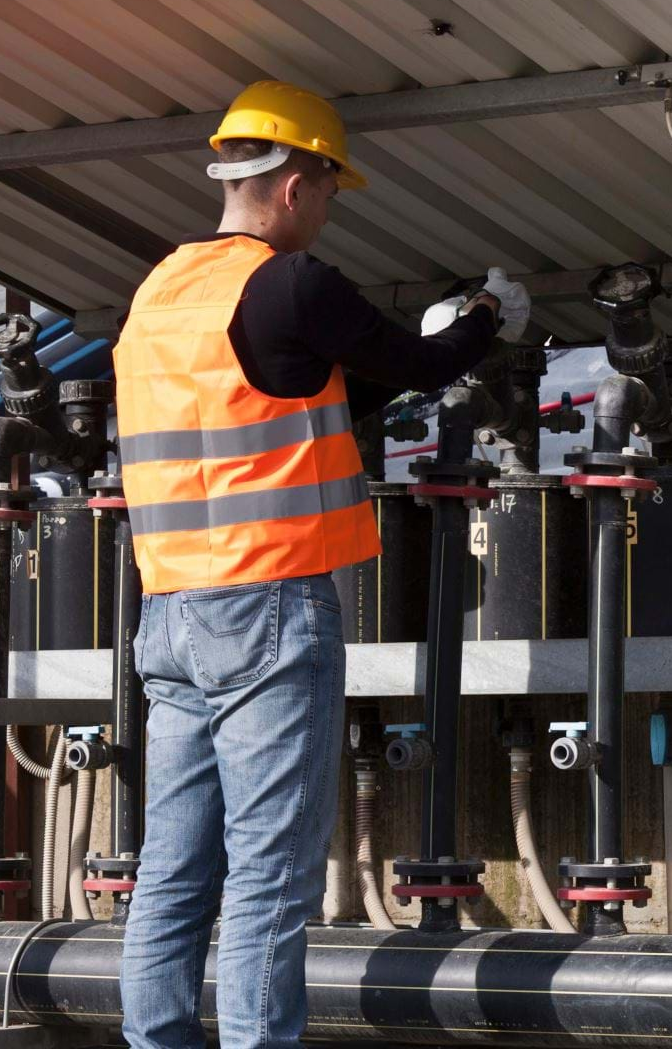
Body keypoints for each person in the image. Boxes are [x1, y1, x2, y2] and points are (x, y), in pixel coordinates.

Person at [111, 80, 529, 1049]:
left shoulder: (160, 295)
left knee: (173, 870)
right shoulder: (295, 286)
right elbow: (412, 369)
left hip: (171, 617)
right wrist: (487, 318)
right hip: (268, 612)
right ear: (296, 185)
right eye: (333, 191)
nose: (331, 210)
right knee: (270, 872)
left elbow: (289, 416)